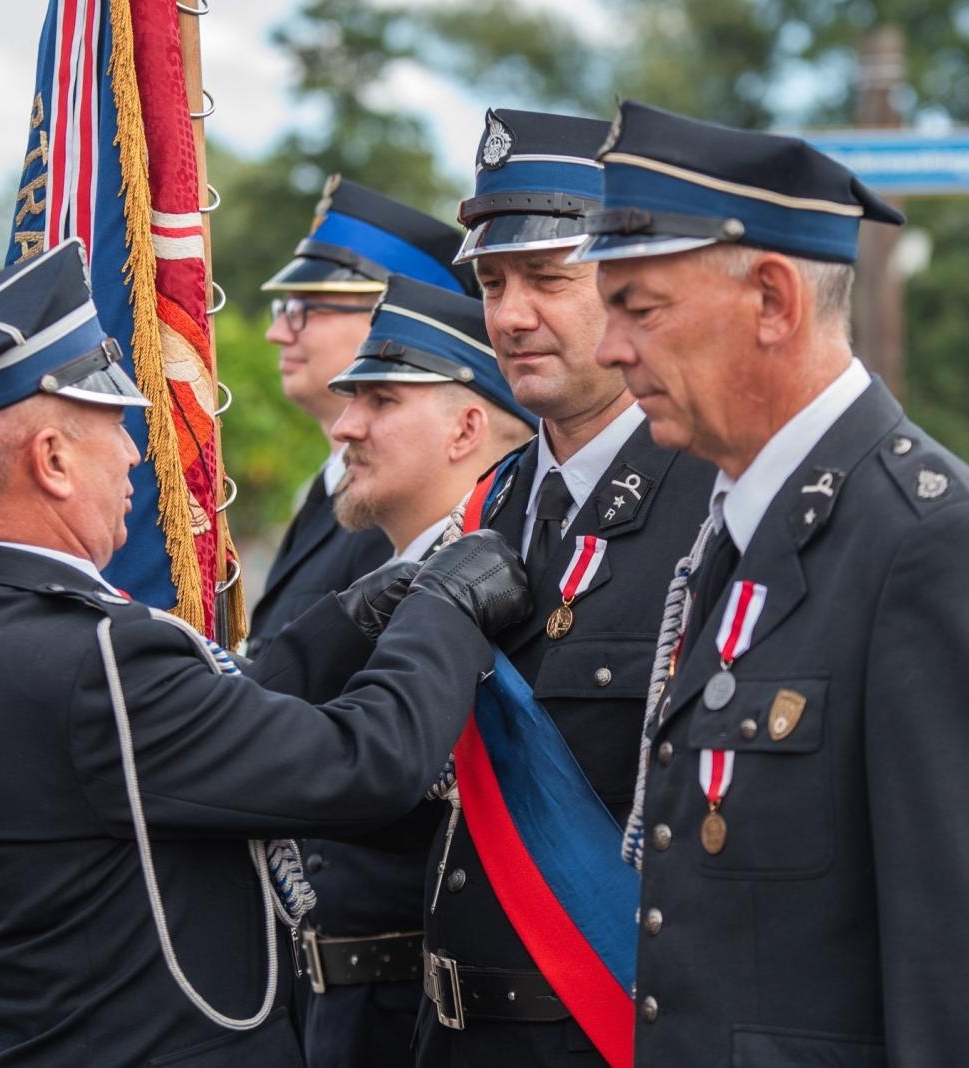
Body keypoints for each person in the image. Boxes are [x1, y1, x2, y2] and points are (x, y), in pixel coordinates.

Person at [0, 240, 530, 1066]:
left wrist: (357, 612)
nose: (137, 452)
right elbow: (363, 764)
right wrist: (444, 603)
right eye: (113, 426)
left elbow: (208, 720)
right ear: (53, 460)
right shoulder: (93, 658)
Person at [573, 99, 969, 1065]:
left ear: (774, 300)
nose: (609, 348)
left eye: (638, 308)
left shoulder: (929, 549)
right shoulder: (740, 526)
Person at [415, 109, 714, 1068]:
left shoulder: (714, 508)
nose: (507, 315)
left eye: (548, 279)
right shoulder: (488, 507)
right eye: (494, 282)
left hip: (609, 1033)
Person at [295, 275, 535, 1068]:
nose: (345, 426)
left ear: (468, 426)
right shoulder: (377, 588)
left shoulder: (519, 587)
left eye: (382, 401)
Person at [248, 178, 477, 657]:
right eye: (282, 308)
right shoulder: (329, 487)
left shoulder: (400, 496)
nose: (276, 332)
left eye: (302, 309)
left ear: (387, 318)